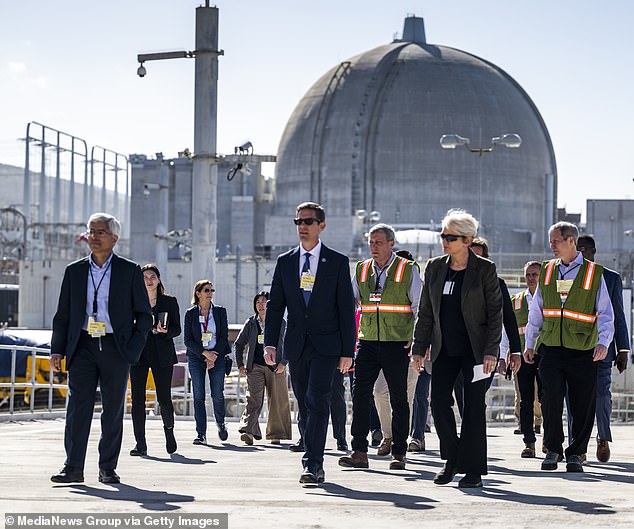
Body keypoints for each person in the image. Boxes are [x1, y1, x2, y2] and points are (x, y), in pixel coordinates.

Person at [50, 213, 152, 484]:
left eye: (100, 232)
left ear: (114, 239)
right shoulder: (74, 271)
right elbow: (63, 315)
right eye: (91, 231)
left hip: (115, 347)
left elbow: (144, 316)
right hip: (82, 345)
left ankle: (107, 467)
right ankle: (73, 467)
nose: (93, 237)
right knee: (77, 408)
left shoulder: (129, 271)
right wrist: (57, 350)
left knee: (112, 409)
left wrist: (133, 348)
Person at [264, 202, 355, 485]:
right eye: (298, 221)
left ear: (321, 226)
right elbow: (276, 307)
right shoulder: (285, 261)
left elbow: (345, 308)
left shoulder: (337, 262)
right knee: (303, 403)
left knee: (318, 400)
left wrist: (347, 351)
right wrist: (270, 344)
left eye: (308, 221)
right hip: (296, 344)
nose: (302, 227)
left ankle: (313, 463)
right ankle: (311, 450)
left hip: (327, 346)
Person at [412, 210, 502, 488]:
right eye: (443, 236)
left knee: (474, 409)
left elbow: (495, 313)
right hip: (444, 350)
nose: (444, 241)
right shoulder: (435, 267)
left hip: (475, 353)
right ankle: (452, 459)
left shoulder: (484, 269)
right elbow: (426, 311)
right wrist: (419, 346)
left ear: (467, 239)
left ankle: (473, 470)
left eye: (450, 237)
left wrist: (491, 351)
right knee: (438, 404)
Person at [524, 222, 614, 473]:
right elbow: (536, 311)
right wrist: (530, 343)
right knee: (550, 400)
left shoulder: (594, 273)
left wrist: (604, 343)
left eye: (556, 241)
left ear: (571, 241)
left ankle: (577, 453)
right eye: (551, 241)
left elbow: (606, 314)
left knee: (582, 404)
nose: (551, 246)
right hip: (551, 348)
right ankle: (553, 449)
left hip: (583, 349)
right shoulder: (547, 270)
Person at [339, 224, 422, 471]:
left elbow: (421, 307)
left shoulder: (407, 270)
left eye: (378, 242)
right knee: (360, 394)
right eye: (371, 242)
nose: (373, 247)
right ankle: (359, 451)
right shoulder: (362, 269)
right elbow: (349, 303)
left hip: (397, 343)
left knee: (398, 398)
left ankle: (399, 452)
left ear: (391, 244)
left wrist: (416, 338)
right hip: (367, 342)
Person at [575, 235, 629, 462]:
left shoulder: (610, 278)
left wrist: (623, 349)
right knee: (575, 398)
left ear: (594, 251)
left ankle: (603, 437)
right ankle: (578, 447)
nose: (581, 253)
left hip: (602, 348)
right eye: (578, 249)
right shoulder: (568, 276)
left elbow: (618, 315)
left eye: (585, 249)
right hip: (574, 348)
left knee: (602, 396)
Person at [129, 264, 181, 456]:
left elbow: (177, 329)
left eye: (152, 276)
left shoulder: (169, 301)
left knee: (164, 398)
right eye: (145, 277)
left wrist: (166, 332)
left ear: (158, 280)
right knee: (137, 400)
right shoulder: (134, 301)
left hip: (162, 353)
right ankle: (140, 443)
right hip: (139, 354)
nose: (149, 280)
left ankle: (169, 434)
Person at [236, 291, 292, 445]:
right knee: (253, 399)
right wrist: (240, 364)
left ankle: (276, 434)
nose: (260, 305)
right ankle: (248, 431)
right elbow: (239, 344)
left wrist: (283, 363)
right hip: (255, 367)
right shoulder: (251, 323)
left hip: (276, 367)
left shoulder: (280, 322)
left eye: (264, 302)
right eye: (258, 302)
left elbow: (289, 344)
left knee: (277, 401)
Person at [500, 261, 543, 458]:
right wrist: (503, 356)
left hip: (545, 355)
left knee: (547, 399)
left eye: (535, 274)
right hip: (523, 357)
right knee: (525, 399)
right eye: (528, 275)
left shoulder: (549, 299)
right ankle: (529, 442)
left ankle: (549, 440)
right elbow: (507, 331)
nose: (531, 278)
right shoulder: (515, 301)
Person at [184, 280, 231, 445]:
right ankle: (201, 434)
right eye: (206, 290)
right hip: (197, 358)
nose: (210, 293)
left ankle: (221, 423)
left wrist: (214, 356)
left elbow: (224, 336)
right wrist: (205, 355)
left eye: (212, 290)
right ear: (198, 293)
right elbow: (188, 340)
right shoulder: (190, 314)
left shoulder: (219, 312)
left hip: (217, 357)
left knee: (217, 394)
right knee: (199, 395)